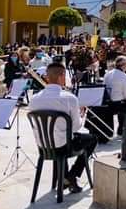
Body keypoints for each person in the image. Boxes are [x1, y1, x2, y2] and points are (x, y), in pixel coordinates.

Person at [28, 63, 98, 192]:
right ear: (62, 76)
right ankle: (72, 175)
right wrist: (82, 115)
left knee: (60, 134)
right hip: (63, 146)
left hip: (44, 145)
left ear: (46, 77)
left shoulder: (34, 99)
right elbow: (76, 127)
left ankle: (64, 178)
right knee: (92, 139)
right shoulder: (69, 98)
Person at [100, 55, 126, 135]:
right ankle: (122, 127)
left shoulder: (107, 74)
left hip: (107, 103)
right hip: (118, 104)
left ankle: (120, 127)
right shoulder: (125, 77)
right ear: (123, 65)